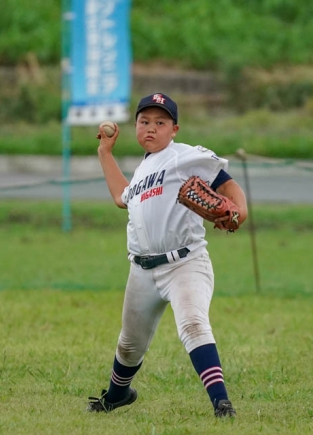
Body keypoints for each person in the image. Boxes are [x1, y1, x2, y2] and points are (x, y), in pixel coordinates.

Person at [88, 93, 248, 417]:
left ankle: (221, 403)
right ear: (135, 126)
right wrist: (105, 153)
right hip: (142, 270)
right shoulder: (143, 171)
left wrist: (239, 211)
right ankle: (117, 396)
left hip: (185, 264)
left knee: (193, 324)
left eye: (160, 122)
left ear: (174, 129)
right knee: (129, 345)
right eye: (144, 121)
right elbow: (121, 197)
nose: (151, 128)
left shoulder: (184, 155)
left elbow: (225, 183)